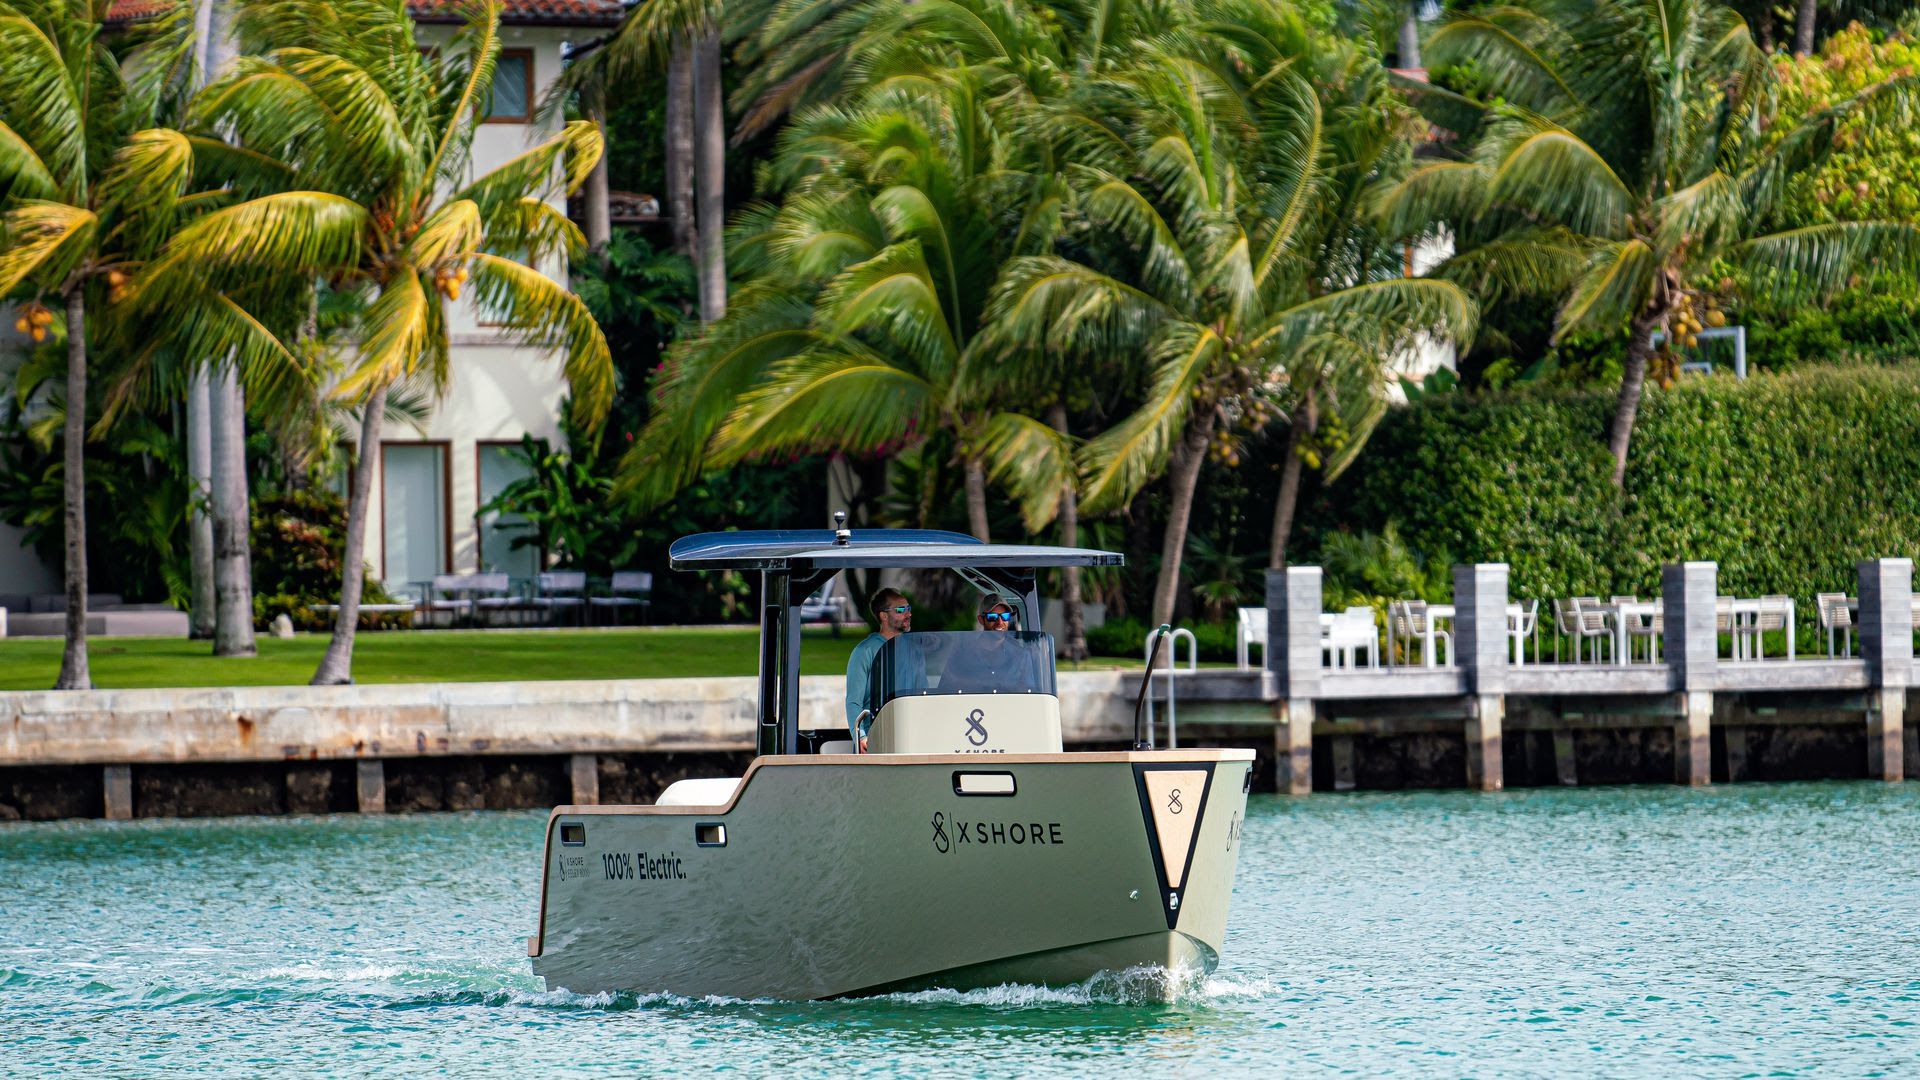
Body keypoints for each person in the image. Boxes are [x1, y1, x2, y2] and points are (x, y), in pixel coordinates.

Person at [939, 596, 1040, 693]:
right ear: (981, 619)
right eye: (992, 617)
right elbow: (944, 691)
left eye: (1005, 616)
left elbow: (1029, 695)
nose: (1000, 622)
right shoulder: (961, 654)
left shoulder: (1021, 655)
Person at [846, 588, 912, 734]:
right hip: (875, 737)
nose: (908, 614)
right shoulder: (864, 651)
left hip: (909, 734)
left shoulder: (913, 651)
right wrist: (861, 737)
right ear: (884, 616)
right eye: (901, 610)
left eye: (908, 608)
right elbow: (853, 702)